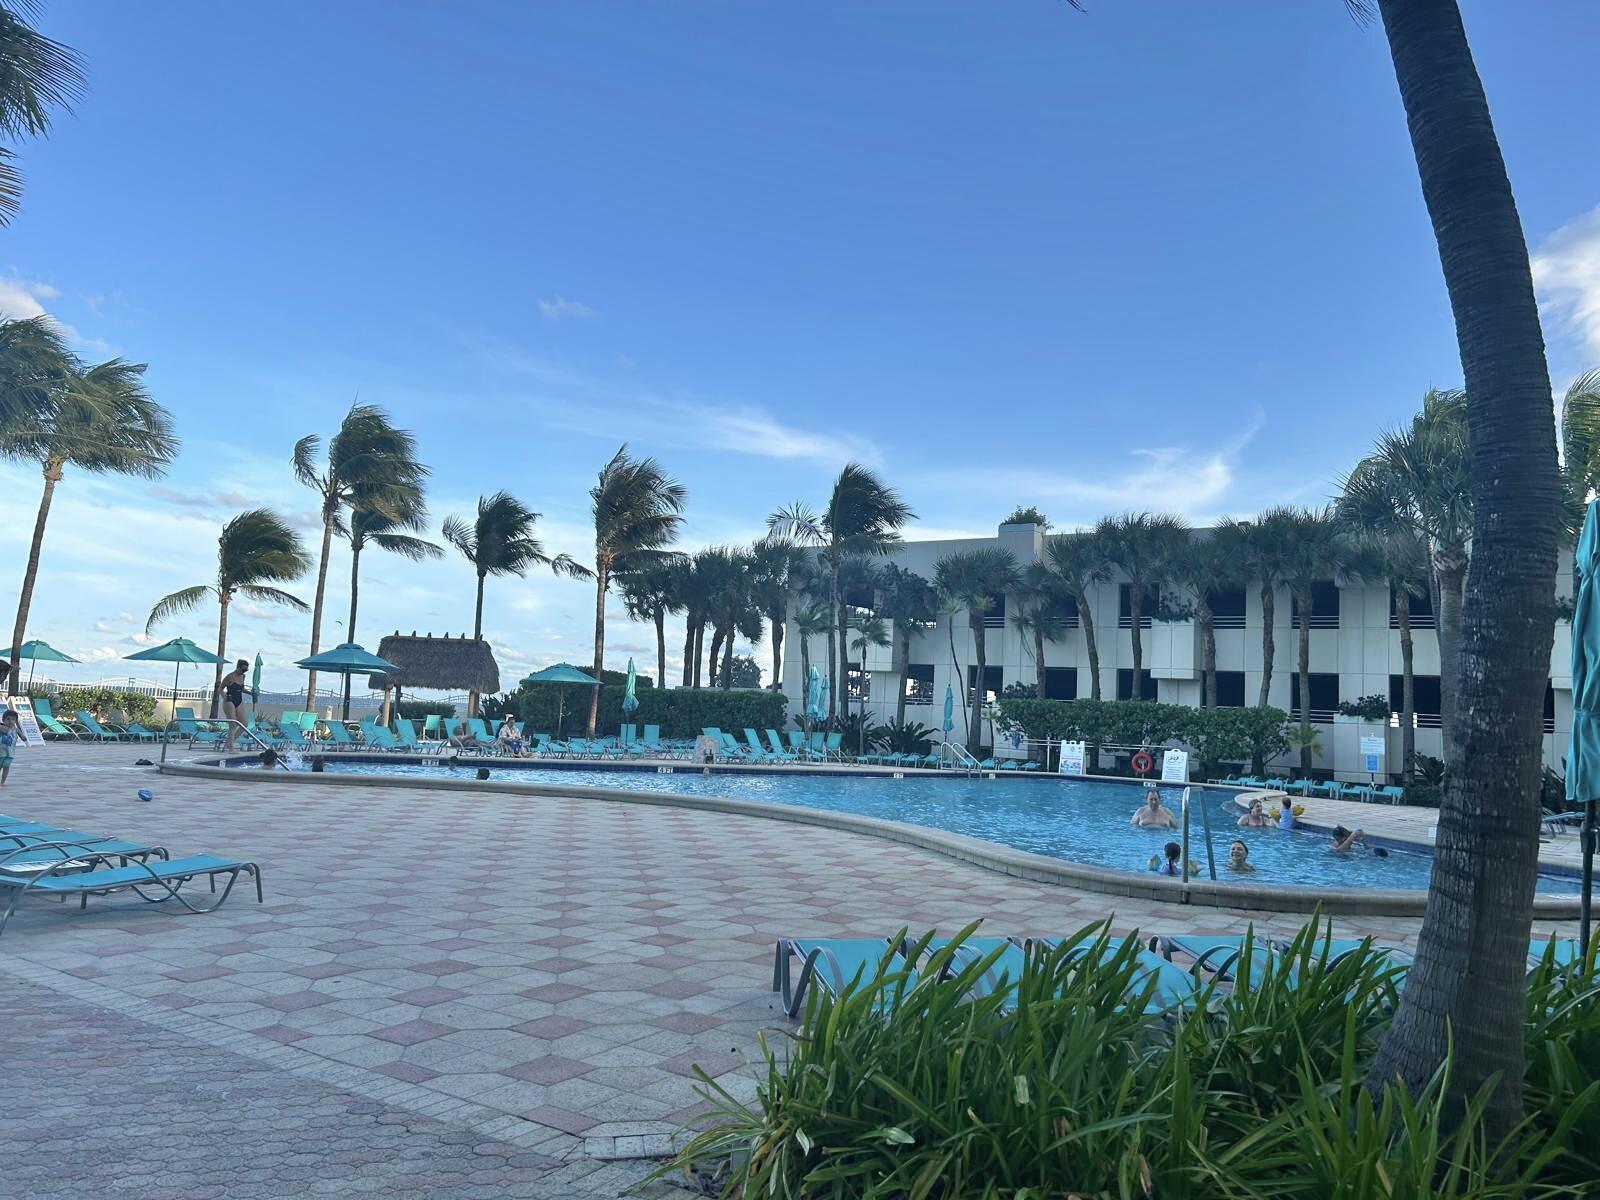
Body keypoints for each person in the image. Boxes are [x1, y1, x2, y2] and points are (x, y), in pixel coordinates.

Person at [218, 659, 250, 749]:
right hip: (229, 700)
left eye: (246, 670)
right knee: (233, 724)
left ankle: (229, 742)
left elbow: (241, 689)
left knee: (244, 724)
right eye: (243, 670)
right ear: (238, 667)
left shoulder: (243, 676)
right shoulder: (230, 677)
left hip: (239, 699)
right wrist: (224, 696)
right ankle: (231, 747)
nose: (244, 672)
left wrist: (251, 693)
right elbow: (220, 688)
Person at [0, 708, 27, 786]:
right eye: (8, 719)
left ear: (16, 721)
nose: (10, 721)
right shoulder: (1, 727)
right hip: (1, 752)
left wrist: (23, 737)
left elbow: (23, 737)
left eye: (13, 719)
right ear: (3, 720)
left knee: (6, 766)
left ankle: (3, 782)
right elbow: (5, 730)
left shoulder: (16, 730)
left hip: (10, 752)